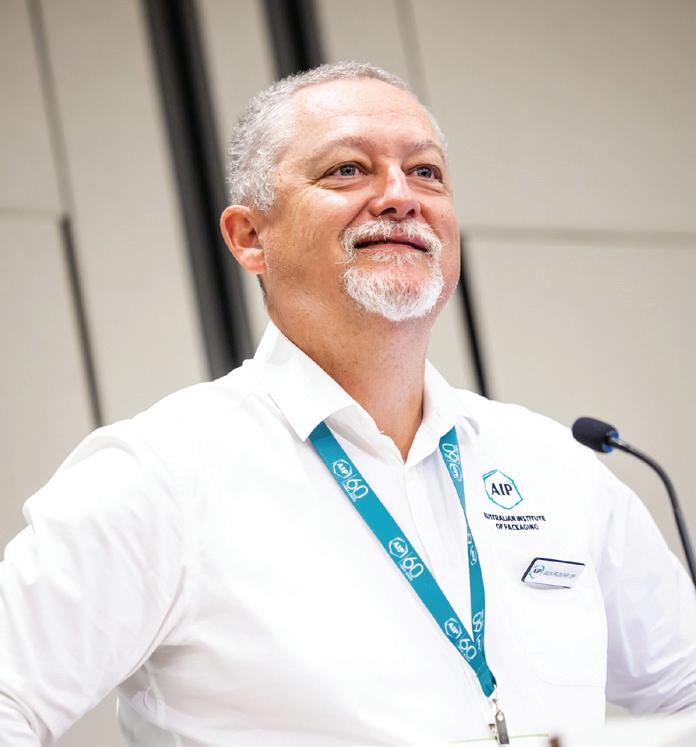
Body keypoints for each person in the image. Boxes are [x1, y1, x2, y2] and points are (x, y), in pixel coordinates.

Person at [1, 61, 695, 747]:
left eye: (425, 172)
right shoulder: (161, 474)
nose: (400, 196)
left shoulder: (556, 466)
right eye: (347, 170)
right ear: (250, 238)